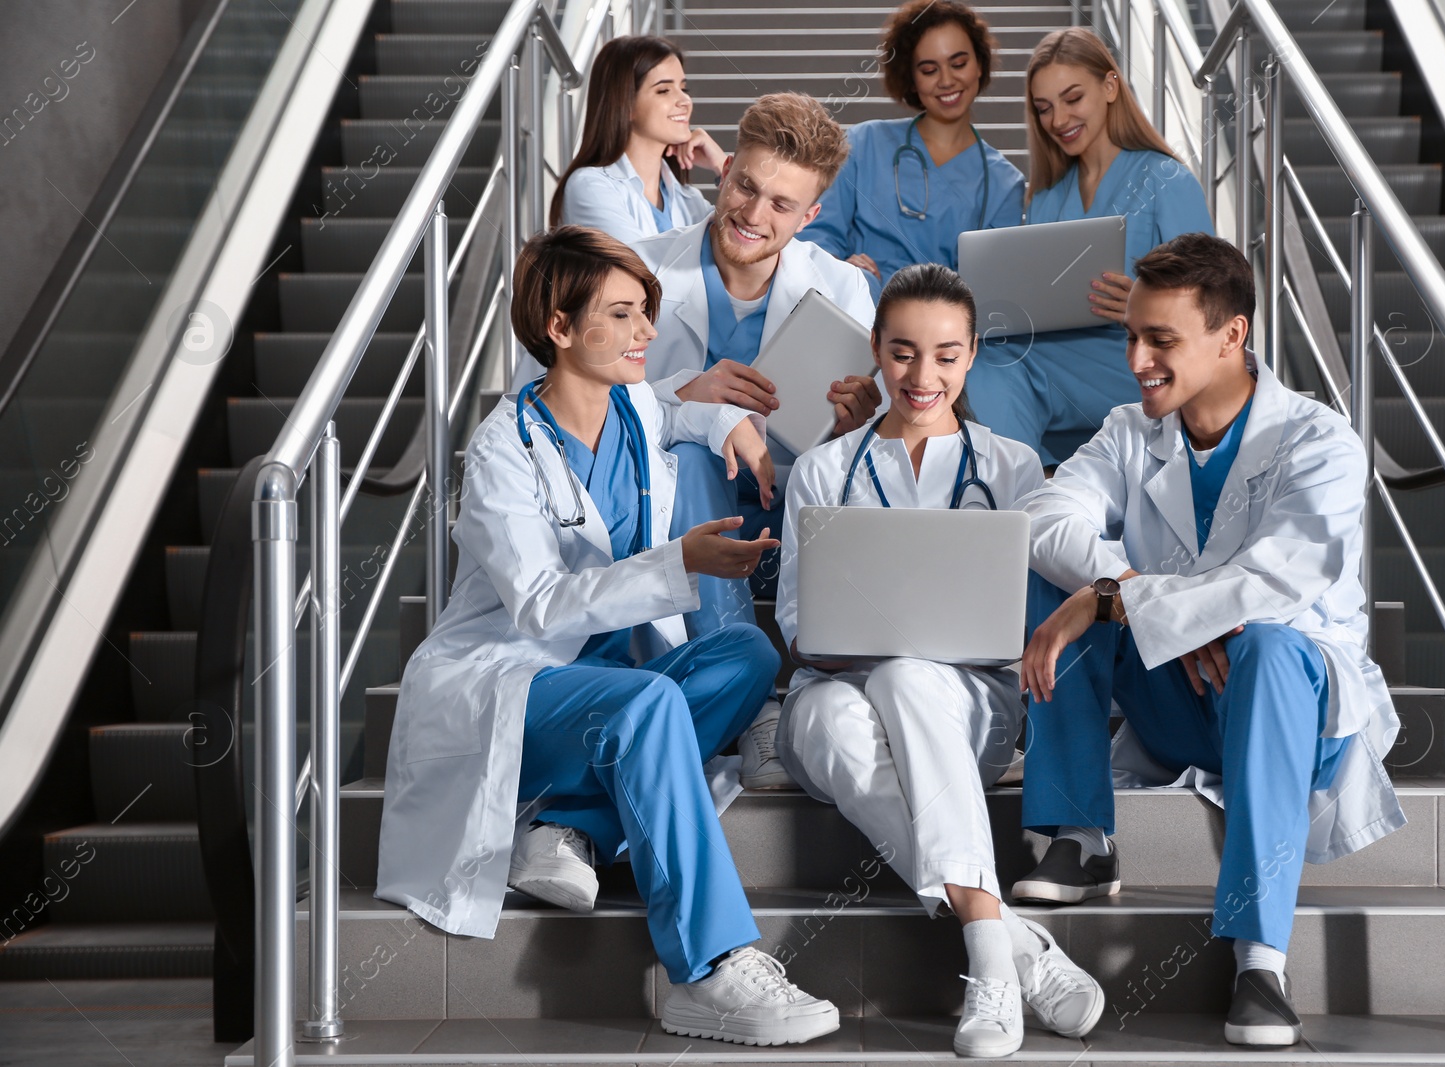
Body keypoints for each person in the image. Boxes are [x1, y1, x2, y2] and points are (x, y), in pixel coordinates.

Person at [376, 227, 841, 1046]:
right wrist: (678, 563)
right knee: (652, 702)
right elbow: (543, 608)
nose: (646, 334)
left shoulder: (634, 405)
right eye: (623, 315)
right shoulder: (502, 452)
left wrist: (730, 421)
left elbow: (684, 411)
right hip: (514, 686)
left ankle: (577, 820)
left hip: (609, 684)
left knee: (749, 654)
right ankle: (709, 967)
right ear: (558, 327)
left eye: (646, 312)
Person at [1014, 233, 1405, 1047]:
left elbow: (1274, 581)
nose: (1136, 360)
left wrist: (1129, 598)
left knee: (1260, 642)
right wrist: (1126, 599)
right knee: (1057, 584)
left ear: (1234, 334)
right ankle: (1081, 835)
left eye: (1161, 339)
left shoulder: (1318, 440)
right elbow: (1046, 519)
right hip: (1183, 700)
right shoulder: (1130, 431)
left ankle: (1260, 958)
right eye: (1131, 336)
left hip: (1294, 711)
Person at [769, 264, 1104, 1058]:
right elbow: (794, 621)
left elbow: (1059, 580)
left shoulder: (1013, 467)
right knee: (849, 709)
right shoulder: (824, 469)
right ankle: (1008, 946)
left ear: (973, 353)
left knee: (909, 674)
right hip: (833, 693)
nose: (924, 376)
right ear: (877, 352)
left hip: (972, 708)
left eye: (947, 355)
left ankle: (992, 956)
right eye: (904, 353)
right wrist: (851, 641)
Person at [630, 91, 879, 650]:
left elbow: (876, 441)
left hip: (792, 509)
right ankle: (735, 663)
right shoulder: (639, 270)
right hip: (675, 510)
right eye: (746, 186)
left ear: (810, 216)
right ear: (724, 171)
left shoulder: (842, 289)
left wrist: (856, 422)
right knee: (694, 457)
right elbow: (571, 407)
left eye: (782, 205)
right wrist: (685, 394)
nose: (753, 215)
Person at [963, 27, 1214, 466]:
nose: (1058, 119)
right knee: (982, 356)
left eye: (1072, 98)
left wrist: (1143, 305)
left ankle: (1018, 502)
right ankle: (1027, 493)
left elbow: (1212, 297)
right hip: (1057, 361)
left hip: (1139, 361)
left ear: (1110, 86)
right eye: (1044, 108)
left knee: (994, 364)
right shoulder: (1044, 195)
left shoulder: (1165, 179)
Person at [806, 0, 1025, 301]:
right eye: (929, 69)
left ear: (980, 65)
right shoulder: (863, 143)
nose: (947, 80)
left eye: (959, 63)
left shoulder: (1003, 184)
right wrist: (841, 271)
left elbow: (993, 289)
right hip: (856, 313)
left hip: (940, 335)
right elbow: (815, 237)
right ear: (911, 78)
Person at [550, 36, 724, 244]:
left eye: (683, 88)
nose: (685, 100)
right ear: (626, 104)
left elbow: (746, 253)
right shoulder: (589, 186)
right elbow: (640, 269)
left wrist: (723, 167)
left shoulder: (690, 199)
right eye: (664, 90)